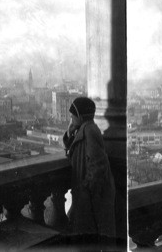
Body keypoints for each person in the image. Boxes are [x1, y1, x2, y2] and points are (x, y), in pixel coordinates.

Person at [62, 97, 116, 246]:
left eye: (73, 116)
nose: (71, 119)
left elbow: (98, 165)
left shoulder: (90, 131)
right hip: (88, 197)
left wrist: (85, 190)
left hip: (91, 198)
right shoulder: (86, 128)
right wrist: (70, 132)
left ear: (80, 116)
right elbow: (73, 149)